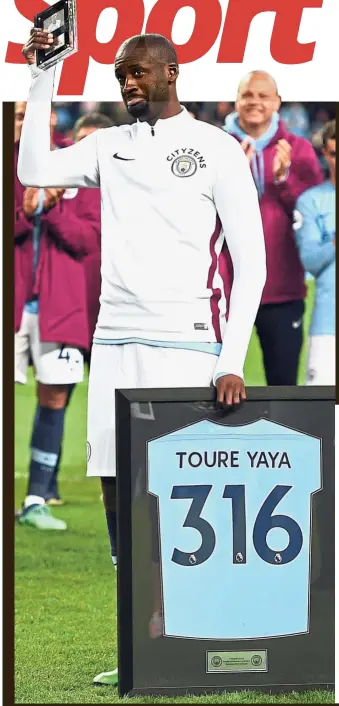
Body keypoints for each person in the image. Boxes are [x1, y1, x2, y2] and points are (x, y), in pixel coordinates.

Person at [18, 30, 266, 685]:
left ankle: (195, 637)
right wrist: (45, 75)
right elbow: (32, 171)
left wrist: (228, 359)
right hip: (113, 344)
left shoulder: (214, 147)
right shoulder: (109, 145)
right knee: (115, 491)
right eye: (120, 74)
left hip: (186, 344)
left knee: (183, 498)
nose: (128, 82)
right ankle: (139, 642)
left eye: (138, 72)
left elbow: (253, 264)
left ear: (171, 73)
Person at [15, 101, 101, 527]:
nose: (24, 123)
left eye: (31, 114)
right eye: (15, 116)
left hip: (59, 305)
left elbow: (89, 239)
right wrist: (25, 211)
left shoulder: (77, 167)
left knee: (54, 397)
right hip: (11, 303)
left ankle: (36, 500)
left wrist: (52, 209)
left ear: (49, 118)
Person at [224, 71, 323, 385]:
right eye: (247, 95)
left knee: (284, 389)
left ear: (277, 102)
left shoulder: (299, 150)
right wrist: (231, 181)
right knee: (212, 387)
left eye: (263, 96)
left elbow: (312, 215)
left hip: (282, 291)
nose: (254, 102)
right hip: (225, 291)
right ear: (236, 100)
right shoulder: (214, 147)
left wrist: (283, 181)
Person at [293, 120, 336, 385]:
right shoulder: (311, 201)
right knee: (324, 417)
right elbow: (309, 260)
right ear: (325, 154)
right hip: (328, 328)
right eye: (334, 153)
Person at [72, 112, 114, 362]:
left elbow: (85, 238)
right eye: (81, 141)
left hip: (113, 305)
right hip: (68, 304)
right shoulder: (58, 184)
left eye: (94, 142)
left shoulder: (131, 186)